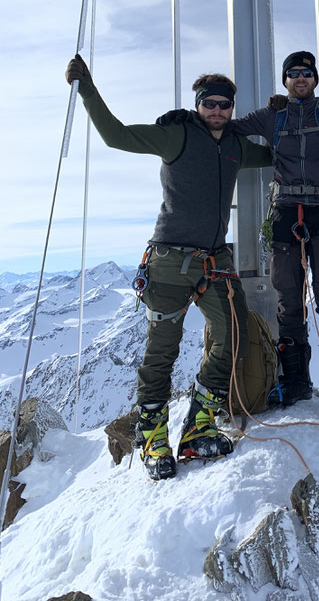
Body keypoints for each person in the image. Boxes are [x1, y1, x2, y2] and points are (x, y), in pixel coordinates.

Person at [65, 55, 272, 481]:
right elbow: (115, 135)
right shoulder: (175, 135)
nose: (217, 111)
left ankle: (199, 425)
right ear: (197, 105)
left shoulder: (235, 146)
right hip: (168, 262)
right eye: (209, 103)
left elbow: (276, 155)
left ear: (232, 108)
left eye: (224, 104)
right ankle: (152, 434)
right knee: (161, 351)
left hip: (215, 260)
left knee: (234, 334)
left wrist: (287, 116)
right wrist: (86, 86)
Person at [159, 51, 319, 412]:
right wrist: (189, 119)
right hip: (287, 213)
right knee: (288, 302)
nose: (300, 78)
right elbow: (225, 128)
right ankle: (296, 383)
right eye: (293, 73)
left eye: (306, 73)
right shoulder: (272, 115)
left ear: (315, 79)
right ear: (285, 80)